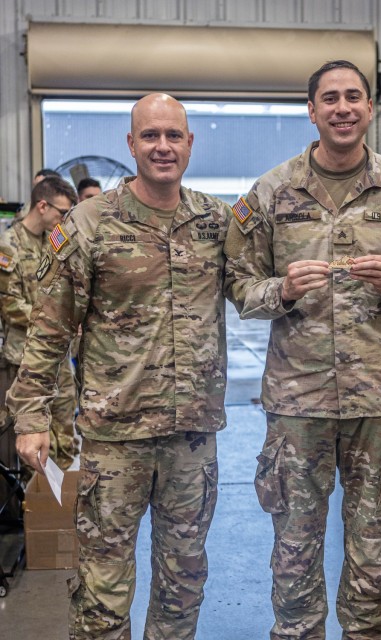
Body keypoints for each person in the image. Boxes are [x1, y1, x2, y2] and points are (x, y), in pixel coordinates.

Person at [224, 60, 381, 639]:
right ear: (312, 110)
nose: (343, 108)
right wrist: (280, 290)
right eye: (330, 98)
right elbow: (237, 285)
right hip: (298, 403)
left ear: (370, 107)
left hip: (380, 401)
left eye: (354, 96)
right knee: (296, 544)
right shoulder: (271, 193)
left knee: (373, 543)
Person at [8, 93, 230, 639]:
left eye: (173, 135)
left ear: (190, 144)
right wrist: (31, 414)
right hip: (115, 439)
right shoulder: (88, 223)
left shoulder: (215, 220)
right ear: (131, 144)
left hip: (192, 440)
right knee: (102, 589)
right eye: (150, 136)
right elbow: (50, 324)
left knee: (183, 582)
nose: (162, 146)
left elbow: (255, 285)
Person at [0, 176, 79, 469]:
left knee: (65, 435)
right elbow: (10, 308)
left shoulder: (55, 241)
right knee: (31, 439)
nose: (64, 219)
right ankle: (35, 507)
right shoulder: (8, 246)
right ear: (42, 205)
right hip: (26, 360)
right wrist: (56, 319)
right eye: (61, 212)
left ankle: (56, 505)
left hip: (59, 357)